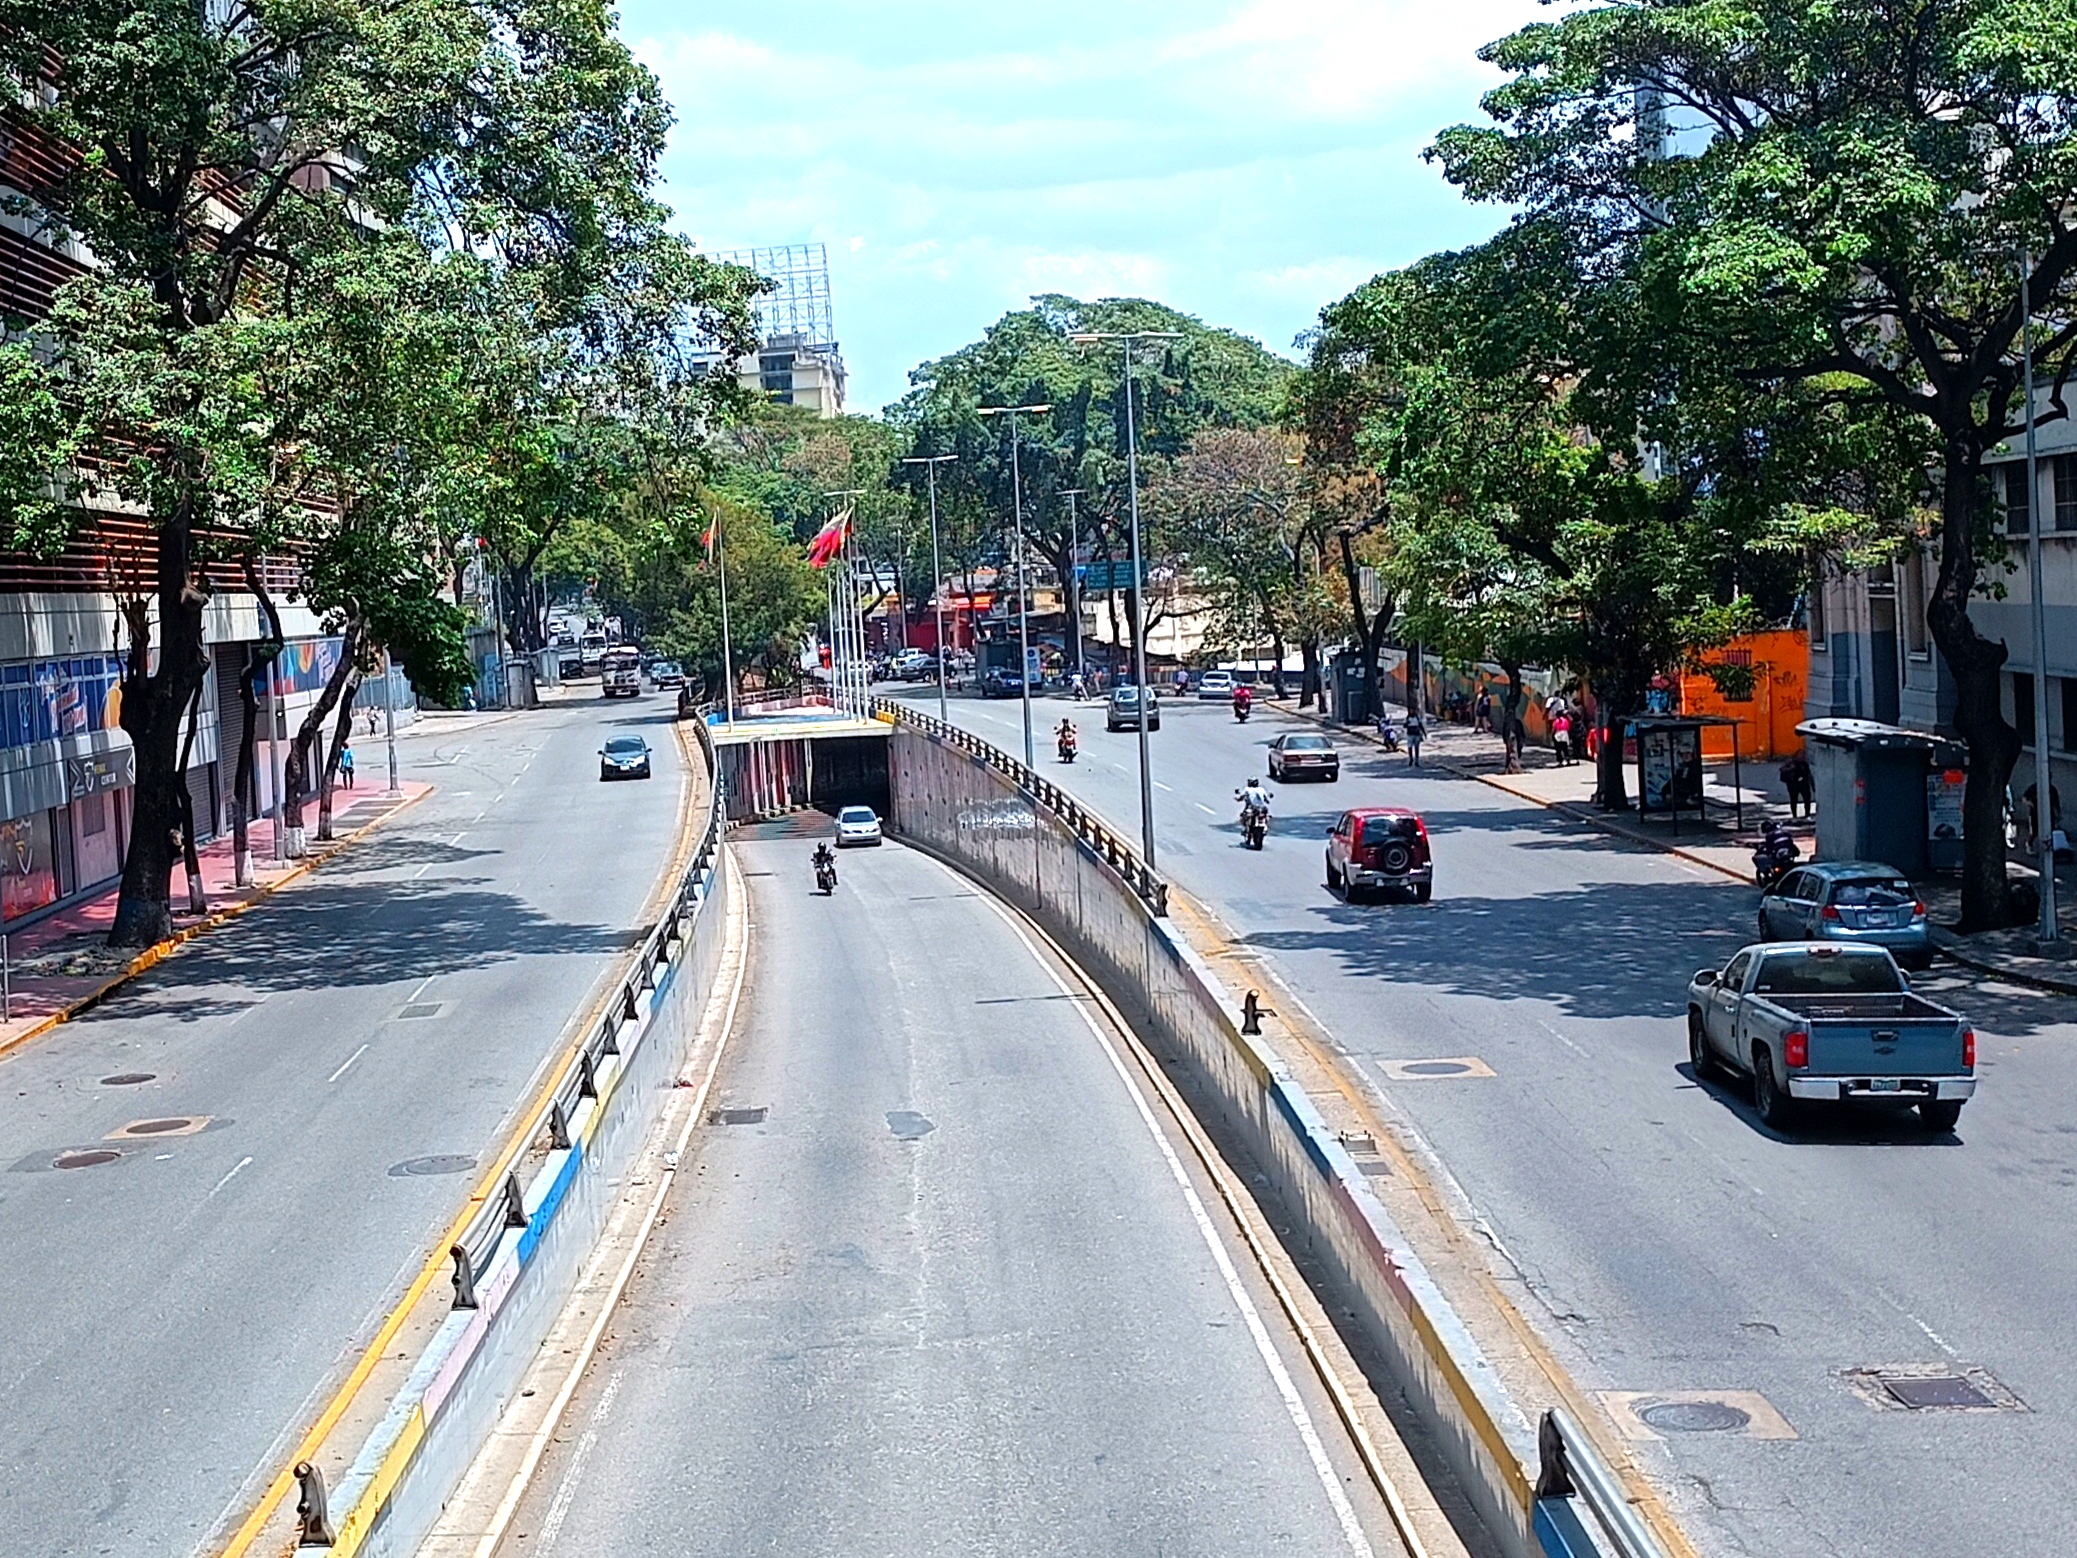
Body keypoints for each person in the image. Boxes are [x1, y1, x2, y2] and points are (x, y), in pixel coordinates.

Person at [1778, 751, 1813, 819]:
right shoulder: (1791, 763)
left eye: (1803, 755)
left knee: (1807, 799)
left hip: (1803, 784)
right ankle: (1794, 815)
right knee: (1794, 800)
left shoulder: (1805, 764)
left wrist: (1812, 785)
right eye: (1800, 755)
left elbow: (1809, 774)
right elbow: (1782, 769)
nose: (1802, 757)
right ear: (1796, 756)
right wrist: (1791, 768)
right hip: (1793, 784)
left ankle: (1807, 814)